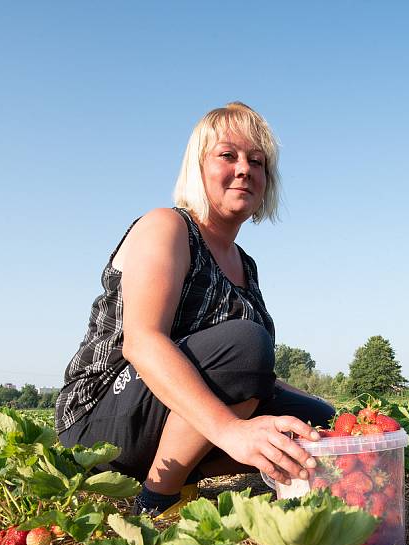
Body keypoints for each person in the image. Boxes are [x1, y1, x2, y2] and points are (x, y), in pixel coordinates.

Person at [55, 102, 334, 517]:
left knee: (314, 420)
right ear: (197, 168)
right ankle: (157, 499)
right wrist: (230, 431)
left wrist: (330, 415)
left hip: (158, 416)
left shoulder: (245, 264)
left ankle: (180, 470)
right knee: (245, 342)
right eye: (228, 155)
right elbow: (142, 341)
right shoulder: (166, 227)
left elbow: (255, 375)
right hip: (98, 419)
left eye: (257, 162)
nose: (244, 169)